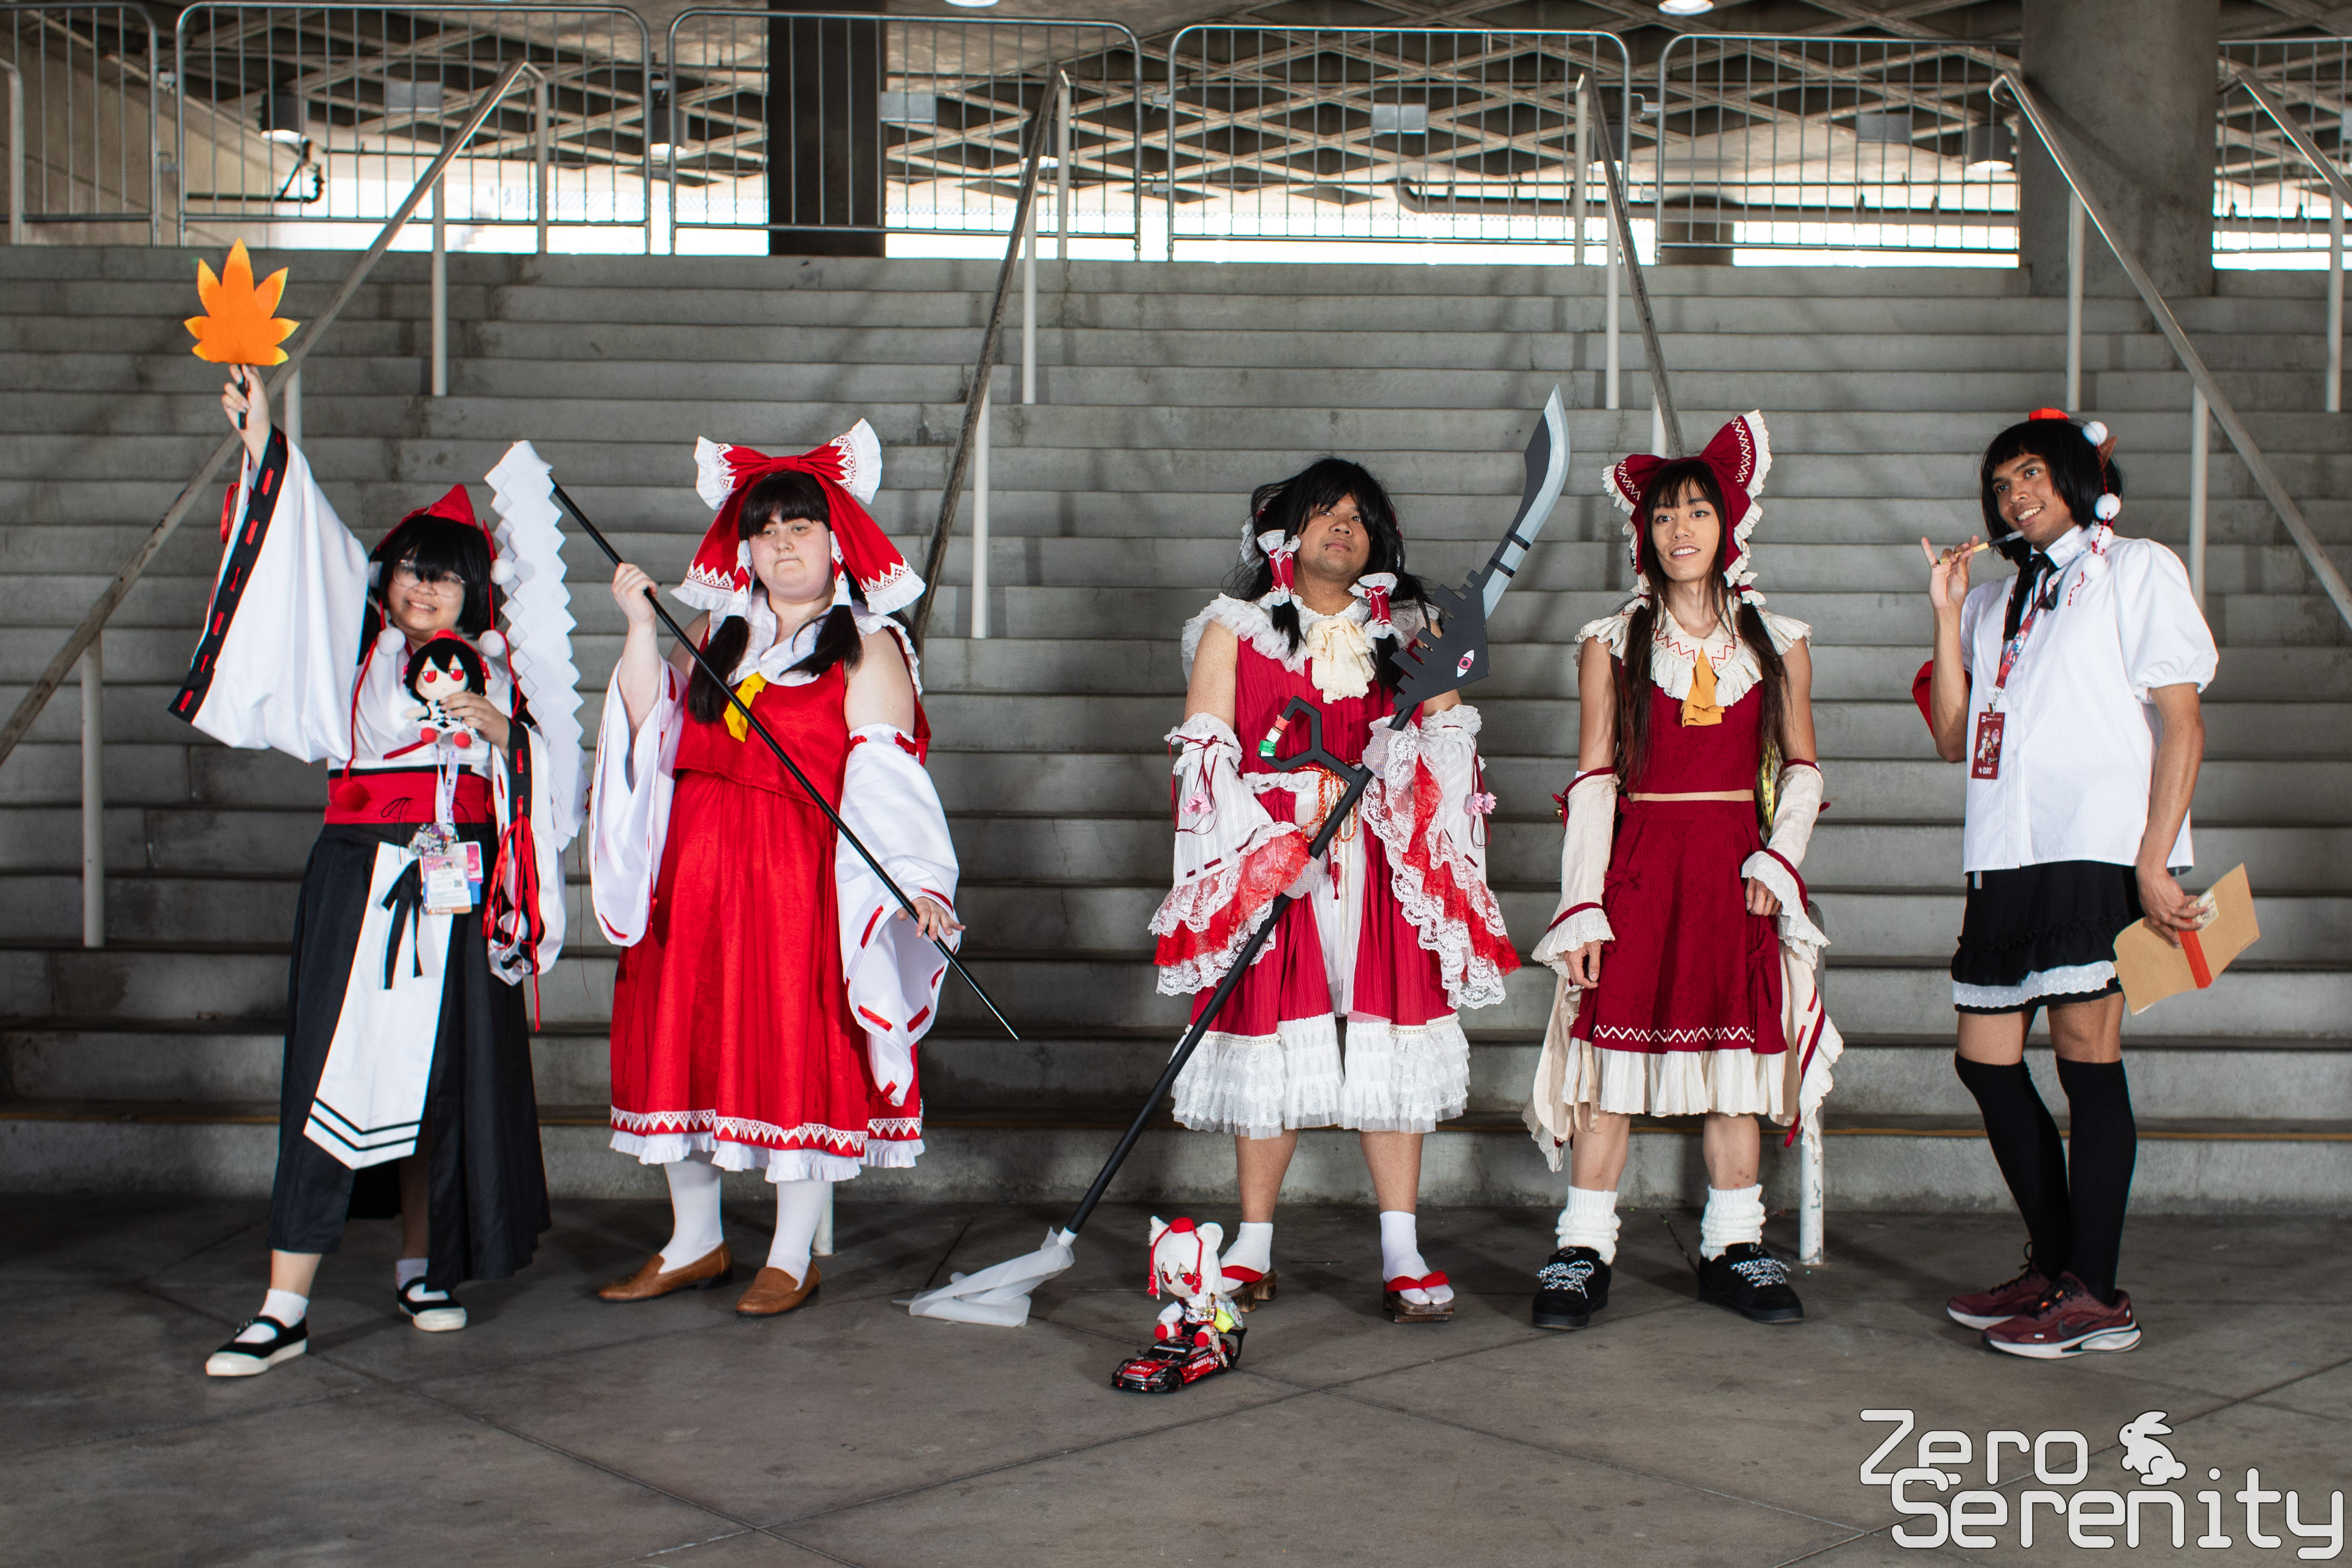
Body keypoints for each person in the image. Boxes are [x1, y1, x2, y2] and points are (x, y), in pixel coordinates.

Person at [183, 369, 570, 1377]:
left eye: (445, 577)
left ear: (474, 590)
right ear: (386, 578)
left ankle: (421, 1266)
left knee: (439, 1082)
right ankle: (283, 1305)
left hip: (460, 888)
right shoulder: (355, 648)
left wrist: (504, 735)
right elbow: (298, 542)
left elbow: (547, 783)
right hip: (362, 879)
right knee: (331, 1076)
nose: (423, 589)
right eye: (409, 570)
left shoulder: (503, 666)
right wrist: (263, 445)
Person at [587, 422, 959, 1318]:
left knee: (795, 1037)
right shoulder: (713, 631)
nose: (782, 544)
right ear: (743, 545)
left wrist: (915, 881)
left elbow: (886, 776)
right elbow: (646, 727)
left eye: (800, 527)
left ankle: (791, 1255)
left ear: (836, 540)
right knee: (680, 1037)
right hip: (691, 869)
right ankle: (694, 1240)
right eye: (765, 530)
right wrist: (639, 626)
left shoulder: (869, 643)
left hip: (795, 879)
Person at [1152, 458, 1518, 1324]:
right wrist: (1264, 855)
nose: (1342, 526)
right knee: (1269, 1042)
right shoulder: (1232, 630)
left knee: (1391, 1042)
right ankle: (1252, 1244)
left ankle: (1400, 1248)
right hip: (1277, 860)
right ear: (1287, 531)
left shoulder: (1410, 633)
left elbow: (1452, 754)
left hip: (1383, 857)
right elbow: (1203, 764)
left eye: (1358, 515)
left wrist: (1417, 737)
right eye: (1325, 511)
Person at [1524, 412, 1840, 1330]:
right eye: (1662, 515)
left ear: (1728, 522)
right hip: (1640, 868)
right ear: (1644, 532)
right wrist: (1580, 905)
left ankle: (1733, 1245)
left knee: (1734, 1063)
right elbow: (1594, 778)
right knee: (1607, 1061)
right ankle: (1582, 1248)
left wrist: (1780, 856)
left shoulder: (1777, 639)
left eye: (1698, 510)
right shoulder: (1610, 641)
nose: (1679, 529)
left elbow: (1805, 768)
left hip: (1735, 870)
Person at [1920, 409, 2214, 1359]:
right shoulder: (1991, 602)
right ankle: (2054, 1268)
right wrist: (1946, 611)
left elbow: (2182, 722)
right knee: (1983, 1059)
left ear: (2077, 478)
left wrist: (2152, 858)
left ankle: (2093, 1293)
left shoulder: (2135, 569)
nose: (2014, 495)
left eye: (2032, 473)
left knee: (2086, 1055)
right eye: (2001, 483)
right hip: (2002, 851)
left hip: (2095, 847)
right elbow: (1954, 737)